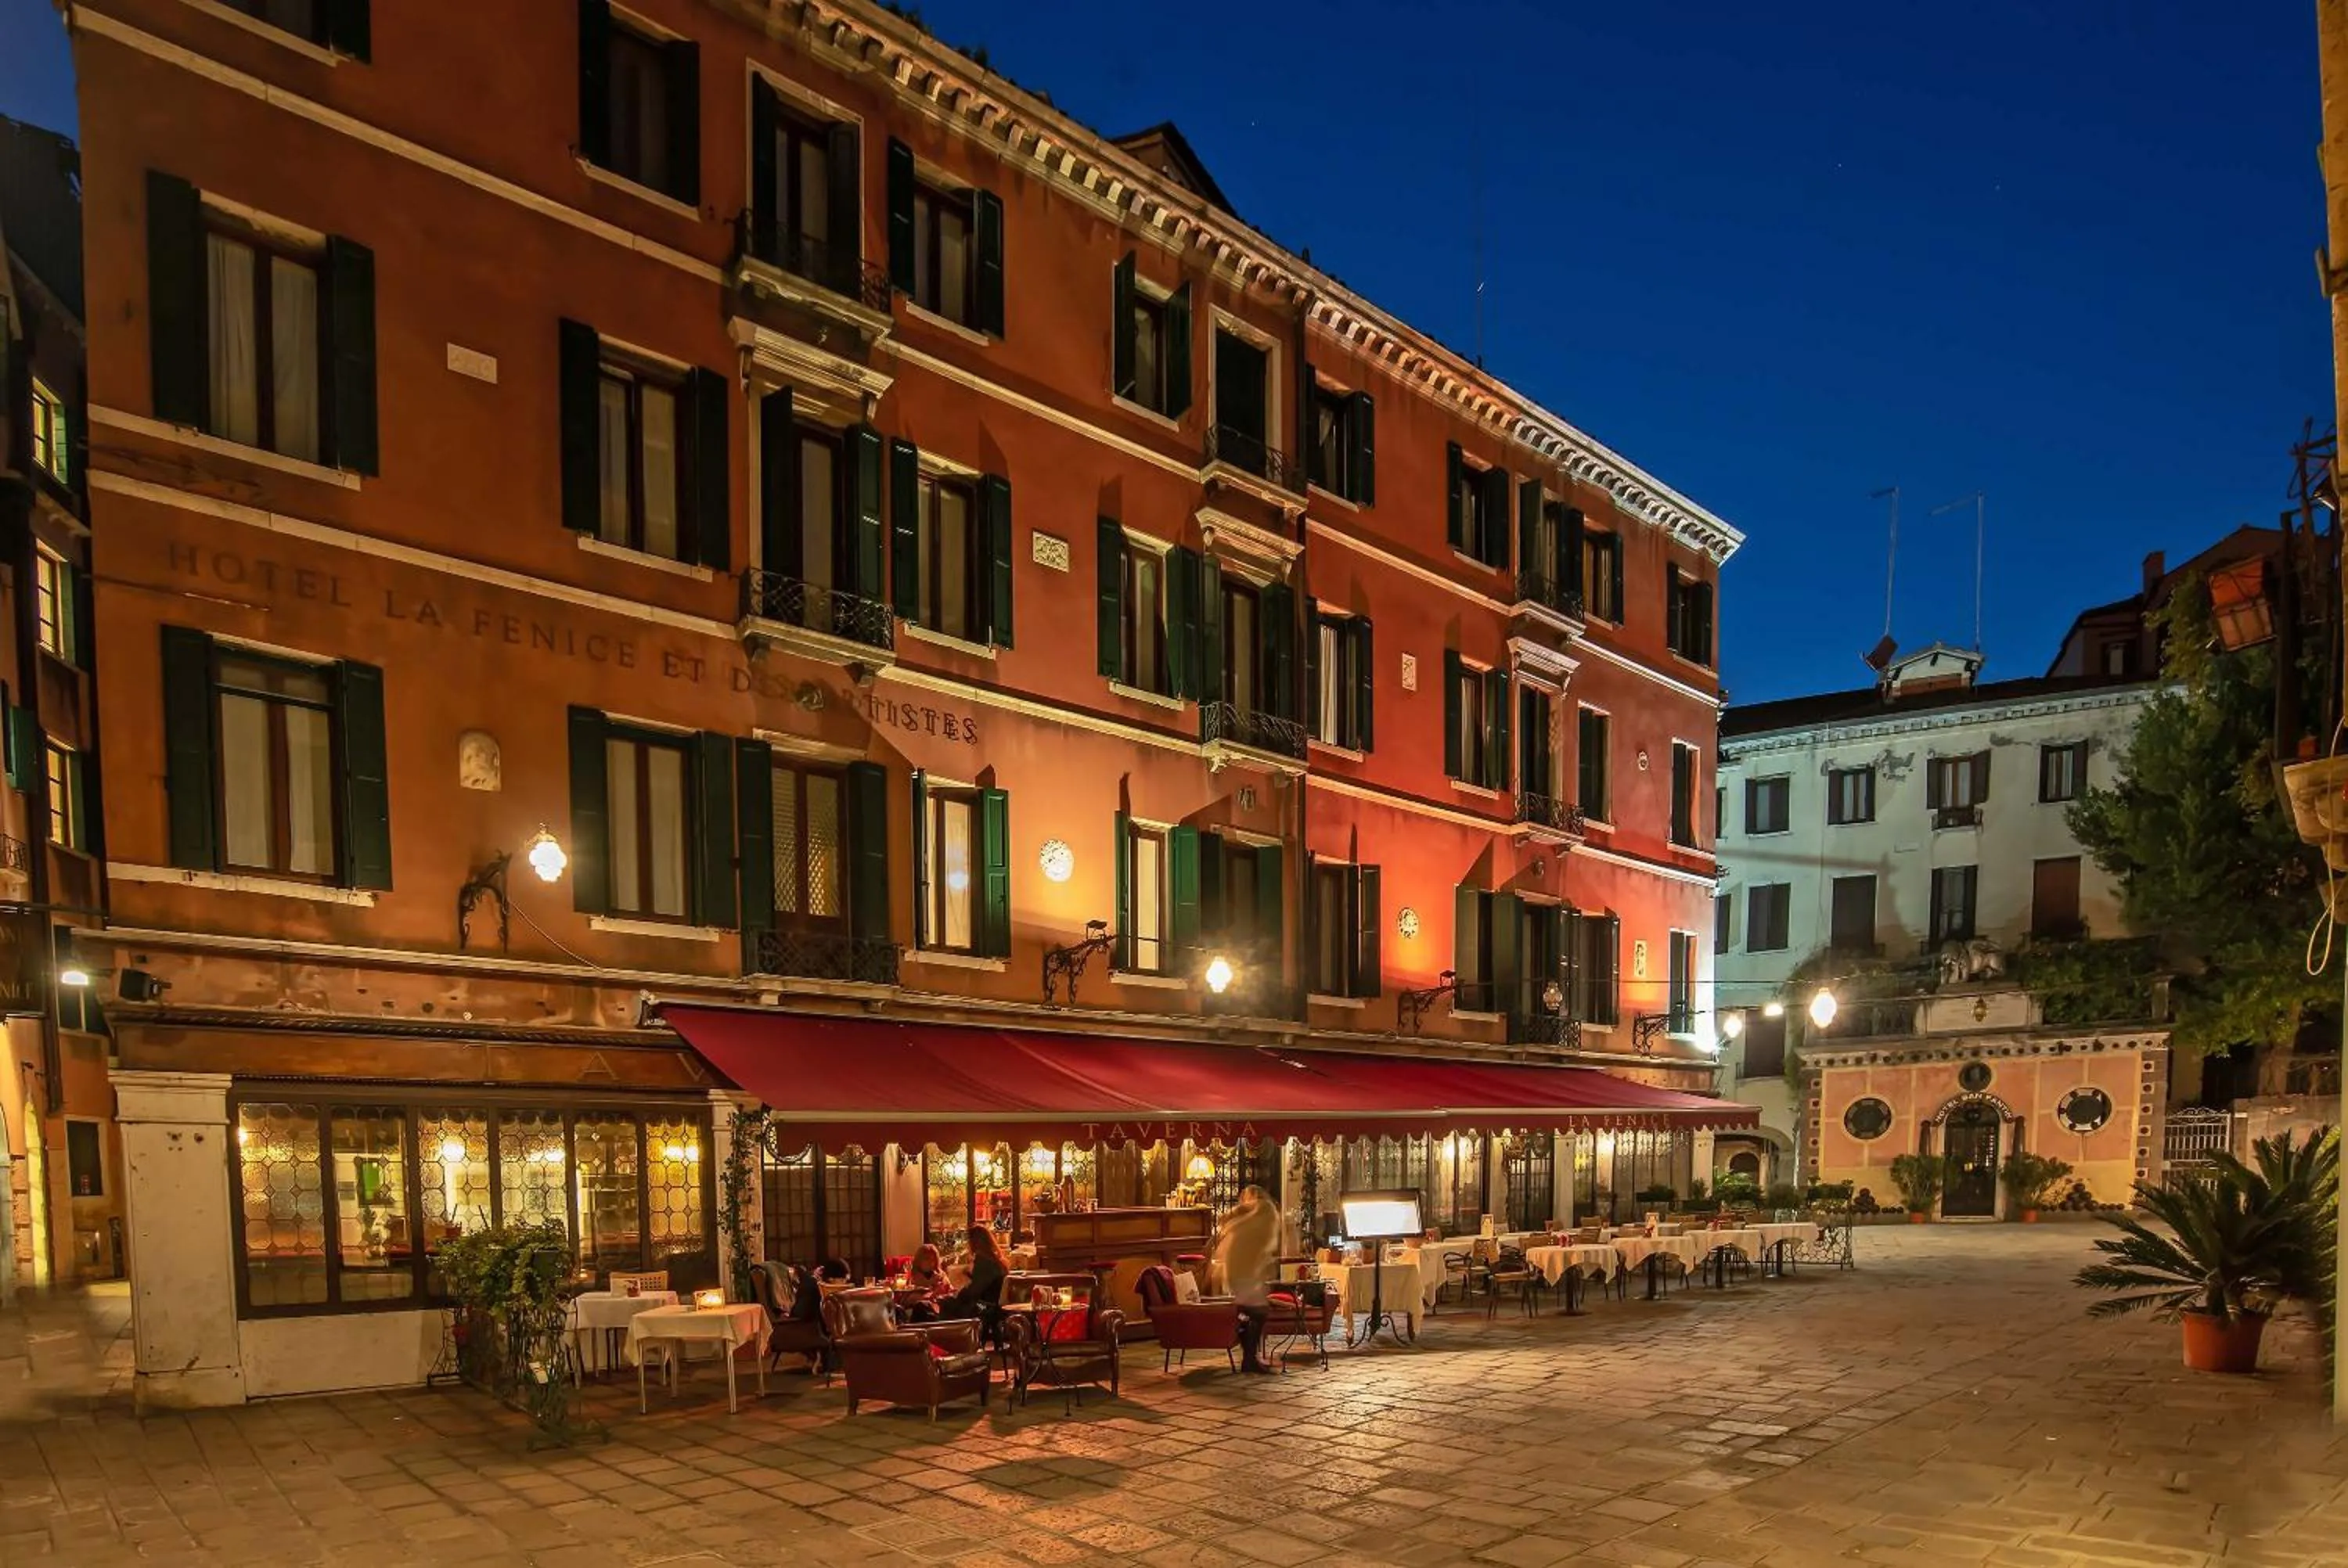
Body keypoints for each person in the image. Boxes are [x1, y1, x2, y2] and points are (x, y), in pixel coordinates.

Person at [1214, 1185, 1281, 1375]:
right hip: (1243, 1273)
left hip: (1238, 1271)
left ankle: (1249, 1358)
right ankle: (1250, 1360)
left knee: (1247, 1312)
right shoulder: (1264, 1210)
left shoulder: (1257, 1214)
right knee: (1258, 1313)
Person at [942, 1225, 1009, 1322]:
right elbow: (987, 1282)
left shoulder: (982, 1260)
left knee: (947, 1303)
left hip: (983, 1307)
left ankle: (956, 1330)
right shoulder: (997, 1259)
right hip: (995, 1305)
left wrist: (959, 1294)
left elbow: (975, 1291)